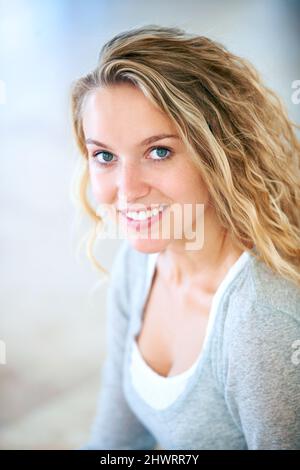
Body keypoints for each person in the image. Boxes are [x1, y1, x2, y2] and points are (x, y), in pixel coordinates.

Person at [70, 24, 300, 450]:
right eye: (104, 156)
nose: (128, 188)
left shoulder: (264, 324)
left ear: (221, 153)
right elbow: (117, 440)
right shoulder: (140, 262)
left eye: (159, 151)